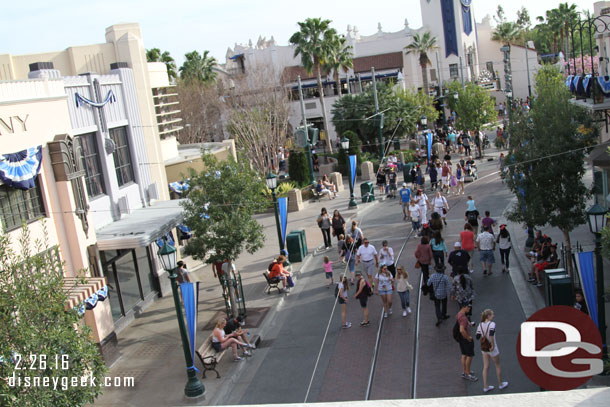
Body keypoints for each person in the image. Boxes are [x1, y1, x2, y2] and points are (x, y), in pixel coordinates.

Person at [476, 309, 508, 392]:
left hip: (484, 348)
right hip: (492, 348)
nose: (493, 316)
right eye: (492, 314)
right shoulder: (492, 324)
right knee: (497, 365)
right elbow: (491, 335)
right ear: (488, 316)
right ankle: (500, 384)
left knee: (486, 366)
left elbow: (477, 336)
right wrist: (492, 345)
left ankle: (485, 386)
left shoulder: (480, 325)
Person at [456, 304, 478, 381]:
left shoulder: (459, 314)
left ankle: (465, 371)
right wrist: (468, 337)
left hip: (461, 339)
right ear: (464, 307)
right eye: (468, 307)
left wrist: (469, 324)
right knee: (469, 355)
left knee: (464, 354)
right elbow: (461, 330)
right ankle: (468, 373)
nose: (469, 308)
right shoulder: (463, 318)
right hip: (466, 339)